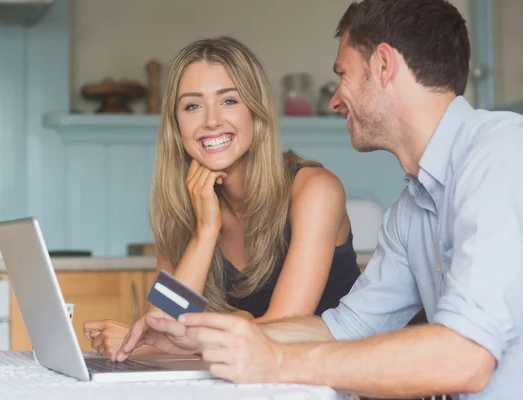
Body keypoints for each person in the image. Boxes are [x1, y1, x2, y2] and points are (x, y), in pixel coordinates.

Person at [113, 1, 523, 398]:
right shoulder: (410, 211)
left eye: (342, 74)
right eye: (191, 106)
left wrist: (275, 361)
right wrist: (192, 339)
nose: (333, 100)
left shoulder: (501, 152)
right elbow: (343, 326)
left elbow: (465, 359)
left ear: (383, 65)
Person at [83, 36, 362, 357]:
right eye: (192, 106)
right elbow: (163, 320)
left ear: (255, 111)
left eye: (229, 101)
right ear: (177, 125)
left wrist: (148, 343)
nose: (211, 120)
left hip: (335, 380)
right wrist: (205, 230)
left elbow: (286, 327)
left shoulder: (315, 190)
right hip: (258, 381)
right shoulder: (186, 206)